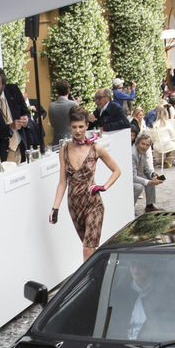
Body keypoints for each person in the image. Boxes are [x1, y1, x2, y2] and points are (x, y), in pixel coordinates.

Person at [49, 106, 122, 261]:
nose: (77, 130)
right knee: (90, 248)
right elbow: (62, 182)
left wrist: (103, 186)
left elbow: (116, 170)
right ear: (70, 126)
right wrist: (55, 208)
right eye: (74, 127)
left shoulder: (96, 148)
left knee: (87, 249)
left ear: (87, 126)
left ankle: (90, 284)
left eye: (81, 126)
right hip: (74, 205)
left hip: (93, 203)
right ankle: (100, 273)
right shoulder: (64, 149)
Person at [131, 131, 165, 213]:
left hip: (136, 176)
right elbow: (133, 177)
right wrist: (150, 182)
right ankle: (130, 209)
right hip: (127, 179)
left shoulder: (143, 152)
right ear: (137, 143)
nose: (145, 147)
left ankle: (149, 206)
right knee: (139, 186)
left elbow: (146, 168)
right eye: (143, 144)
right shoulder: (132, 154)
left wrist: (153, 173)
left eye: (147, 145)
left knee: (150, 177)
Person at [48, 79, 77, 145]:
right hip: (71, 138)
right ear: (68, 91)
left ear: (57, 92)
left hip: (56, 139)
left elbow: (52, 123)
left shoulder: (51, 106)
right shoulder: (73, 105)